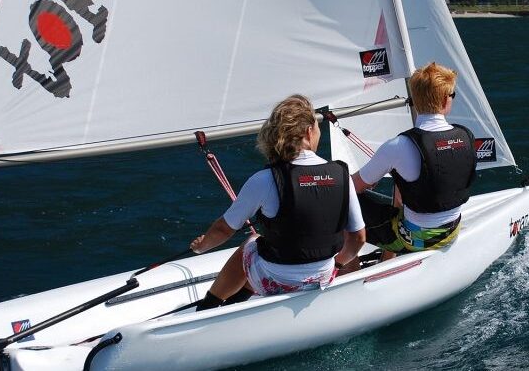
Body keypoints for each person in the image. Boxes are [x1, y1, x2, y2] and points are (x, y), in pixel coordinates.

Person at [190, 94, 366, 310]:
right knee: (263, 250)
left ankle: (209, 306)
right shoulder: (341, 174)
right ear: (308, 131)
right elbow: (358, 238)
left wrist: (201, 247)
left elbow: (223, 229)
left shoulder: (264, 179)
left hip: (278, 280)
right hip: (323, 276)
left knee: (252, 242)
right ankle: (239, 301)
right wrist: (338, 264)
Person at [352, 62, 476, 257]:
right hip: (452, 231)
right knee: (404, 181)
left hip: (415, 240)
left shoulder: (399, 145)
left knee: (340, 198)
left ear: (415, 100)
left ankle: (346, 268)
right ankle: (388, 258)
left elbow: (353, 187)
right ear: (445, 100)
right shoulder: (466, 136)